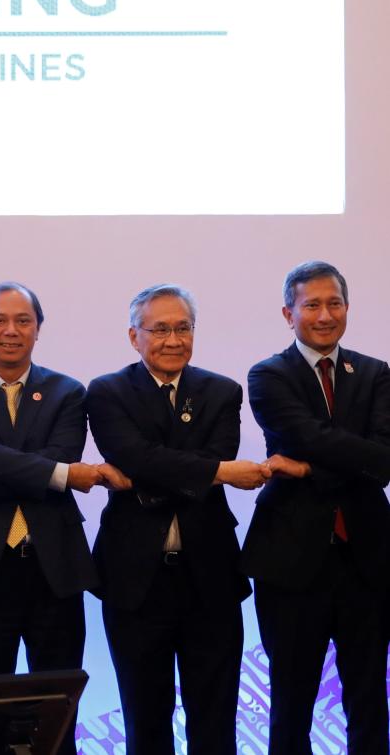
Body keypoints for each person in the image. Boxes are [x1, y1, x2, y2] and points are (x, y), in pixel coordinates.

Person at [0, 283, 113, 755]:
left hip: (54, 566)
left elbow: (55, 455)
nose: (11, 331)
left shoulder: (69, 393)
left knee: (57, 706)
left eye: (23, 321)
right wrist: (58, 476)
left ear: (38, 329)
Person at [86, 284, 266, 755]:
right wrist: (215, 473)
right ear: (134, 337)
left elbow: (192, 457)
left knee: (215, 713)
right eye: (159, 329)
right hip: (134, 578)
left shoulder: (222, 391)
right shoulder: (107, 392)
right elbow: (131, 455)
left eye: (182, 328)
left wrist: (161, 470)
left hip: (209, 573)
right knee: (145, 714)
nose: (172, 340)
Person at [241, 261, 390, 755]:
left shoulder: (375, 373)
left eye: (335, 304)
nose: (325, 315)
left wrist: (307, 469)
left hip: (367, 561)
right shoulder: (268, 374)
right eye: (312, 305)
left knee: (369, 697)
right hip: (290, 563)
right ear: (289, 313)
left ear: (347, 308)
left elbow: (384, 459)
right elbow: (304, 435)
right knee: (291, 699)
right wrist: (357, 457)